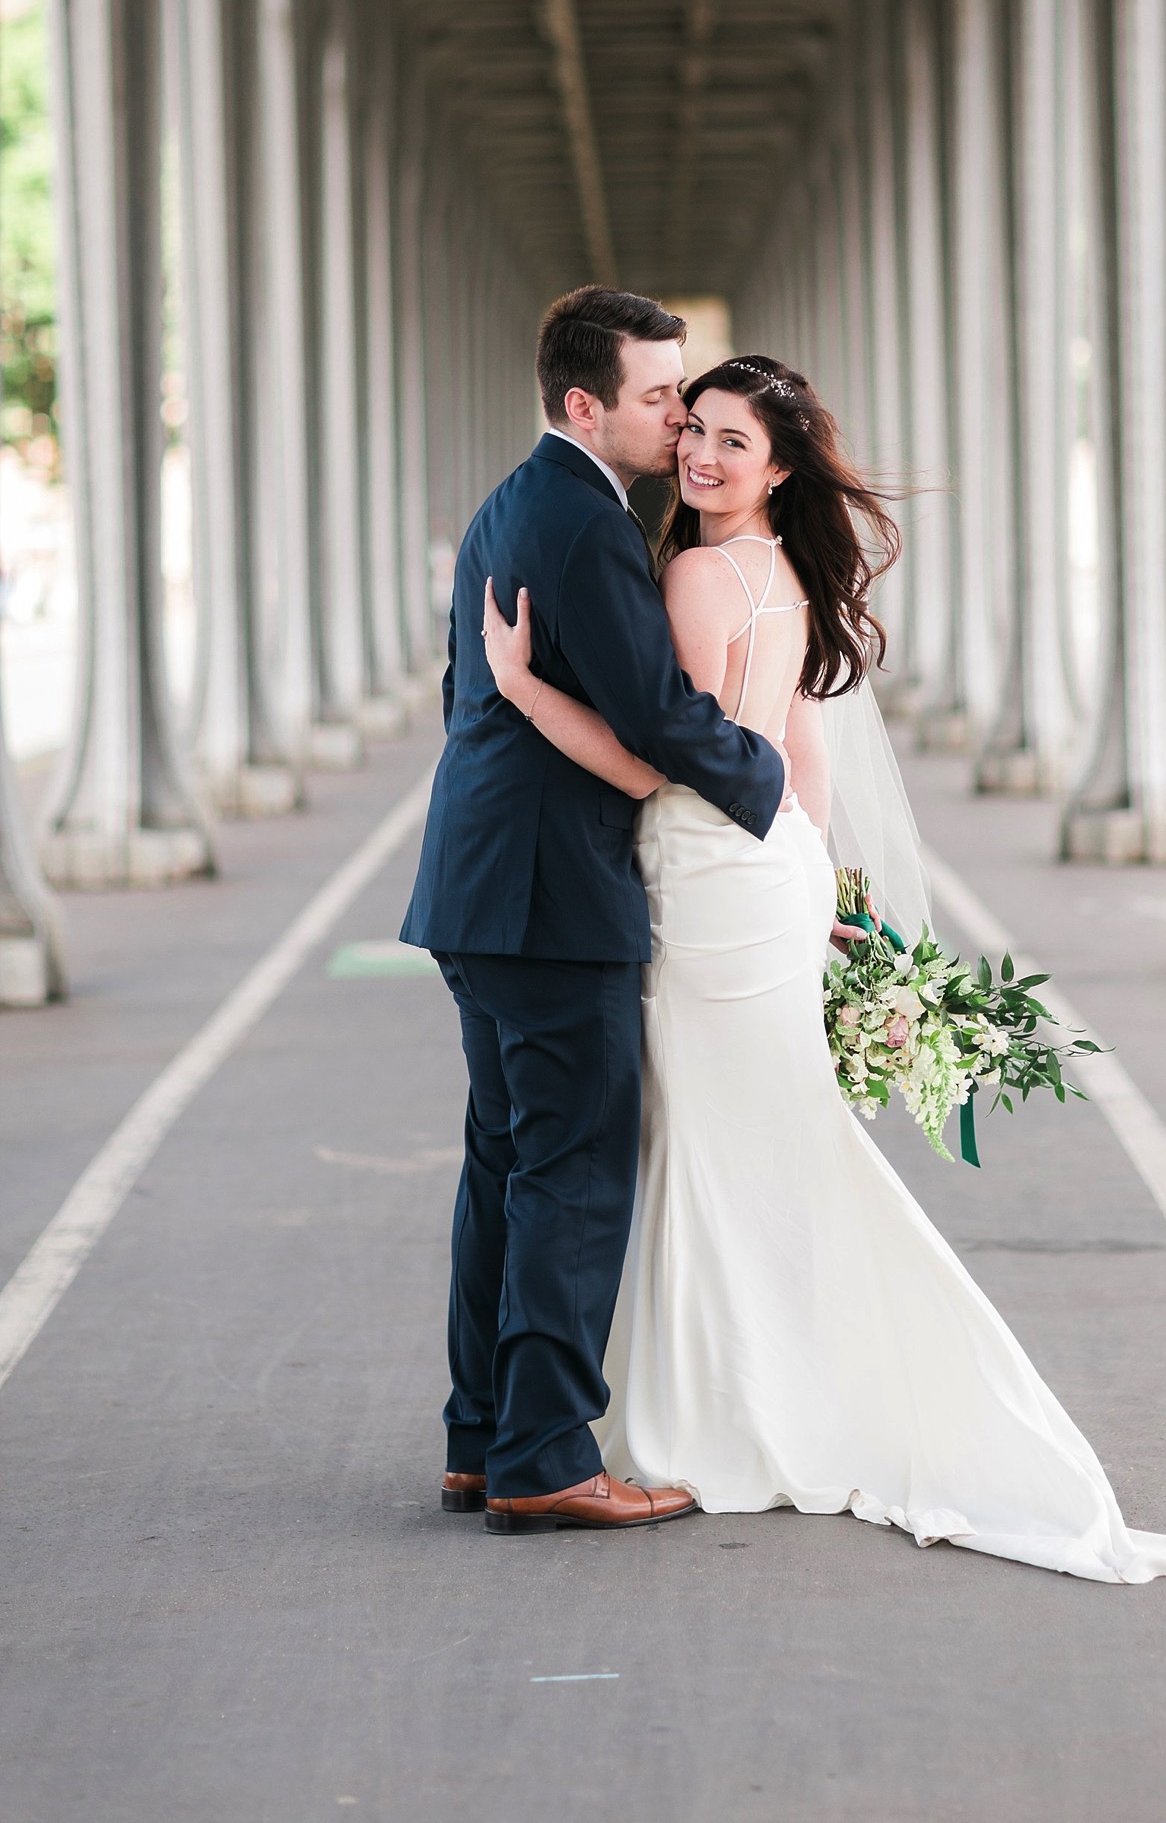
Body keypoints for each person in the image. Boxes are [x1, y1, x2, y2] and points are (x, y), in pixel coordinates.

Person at [481, 354, 1166, 1580]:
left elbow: (655, 764)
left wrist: (517, 685)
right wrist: (821, 889)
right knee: (766, 1146)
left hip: (711, 888)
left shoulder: (694, 573)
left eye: (731, 442)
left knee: (708, 1155)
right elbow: (799, 752)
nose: (702, 455)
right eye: (696, 432)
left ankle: (725, 1417)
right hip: (771, 879)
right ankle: (776, 1396)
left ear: (778, 470)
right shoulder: (782, 576)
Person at [400, 288, 785, 1534]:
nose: (680, 419)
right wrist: (765, 790)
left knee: (506, 1163)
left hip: (481, 886)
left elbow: (478, 691)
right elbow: (657, 717)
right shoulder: (585, 525)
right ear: (586, 405)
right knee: (572, 1170)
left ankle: (484, 1438)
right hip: (551, 896)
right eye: (661, 396)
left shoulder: (513, 503)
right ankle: (548, 1457)